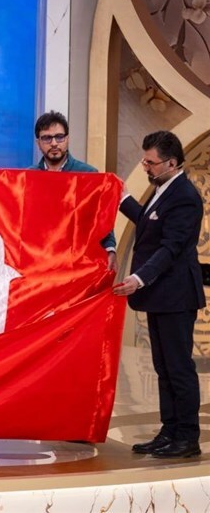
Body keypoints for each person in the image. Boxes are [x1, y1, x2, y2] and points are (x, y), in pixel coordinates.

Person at [113, 131, 204, 458]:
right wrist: (123, 200)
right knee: (163, 367)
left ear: (172, 163)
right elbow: (149, 222)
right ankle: (169, 430)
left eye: (150, 162)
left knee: (178, 368)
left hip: (176, 296)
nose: (145, 167)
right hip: (161, 295)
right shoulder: (163, 188)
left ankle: (187, 438)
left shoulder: (185, 196)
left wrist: (139, 278)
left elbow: (170, 247)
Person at [31, 111, 118, 271]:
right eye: (47, 138)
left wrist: (110, 248)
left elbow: (101, 216)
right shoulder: (29, 177)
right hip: (39, 261)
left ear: (68, 139)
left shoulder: (88, 174)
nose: (54, 143)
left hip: (77, 262)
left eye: (59, 137)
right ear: (38, 142)